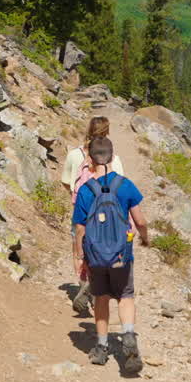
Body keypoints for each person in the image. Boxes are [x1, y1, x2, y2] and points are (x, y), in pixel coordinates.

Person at [73, 137, 149, 374]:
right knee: (125, 296)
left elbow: (80, 229)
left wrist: (80, 256)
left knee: (101, 298)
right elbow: (140, 221)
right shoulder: (125, 185)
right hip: (121, 255)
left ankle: (102, 347)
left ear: (90, 158)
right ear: (113, 156)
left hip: (96, 256)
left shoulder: (85, 190)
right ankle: (128, 334)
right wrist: (146, 238)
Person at [63, 117, 124, 314]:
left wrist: (78, 197)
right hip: (105, 213)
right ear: (107, 132)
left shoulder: (74, 155)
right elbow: (120, 186)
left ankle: (83, 285)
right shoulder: (113, 159)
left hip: (81, 211)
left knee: (79, 250)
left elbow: (65, 182)